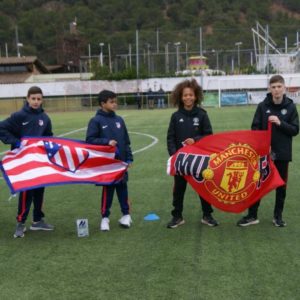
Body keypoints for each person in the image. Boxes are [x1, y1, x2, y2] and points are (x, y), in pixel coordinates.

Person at [237, 75, 299, 227]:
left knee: (281, 186)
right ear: (269, 89)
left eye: (279, 86)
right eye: (274, 87)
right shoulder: (262, 106)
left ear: (284, 88)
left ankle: (277, 217)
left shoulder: (290, 107)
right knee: (257, 183)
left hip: (283, 154)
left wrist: (280, 123)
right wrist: (264, 144)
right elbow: (255, 128)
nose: (276, 90)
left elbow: (295, 129)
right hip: (263, 153)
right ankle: (252, 215)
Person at [0, 86, 54, 238]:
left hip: (39, 161)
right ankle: (20, 223)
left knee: (39, 190)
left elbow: (49, 137)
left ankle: (37, 221)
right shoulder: (19, 116)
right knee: (26, 192)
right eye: (33, 99)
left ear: (42, 100)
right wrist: (16, 142)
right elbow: (1, 129)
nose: (36, 102)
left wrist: (49, 147)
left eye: (39, 99)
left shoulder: (45, 118)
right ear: (28, 99)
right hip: (24, 162)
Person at [166, 79, 219, 228]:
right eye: (185, 95)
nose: (188, 98)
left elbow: (209, 135)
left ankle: (207, 215)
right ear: (180, 97)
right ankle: (177, 216)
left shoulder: (202, 115)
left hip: (199, 160)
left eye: (190, 95)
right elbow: (170, 137)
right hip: (181, 161)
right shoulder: (176, 116)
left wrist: (195, 140)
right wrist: (174, 155)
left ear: (196, 96)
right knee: (179, 190)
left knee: (203, 188)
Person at [86, 90, 133, 231]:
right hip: (107, 164)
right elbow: (90, 140)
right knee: (108, 189)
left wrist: (129, 158)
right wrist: (106, 142)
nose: (115, 104)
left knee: (123, 188)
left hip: (121, 162)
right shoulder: (96, 121)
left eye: (115, 101)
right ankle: (105, 218)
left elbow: (126, 141)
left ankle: (126, 215)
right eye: (111, 102)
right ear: (102, 104)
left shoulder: (119, 120)